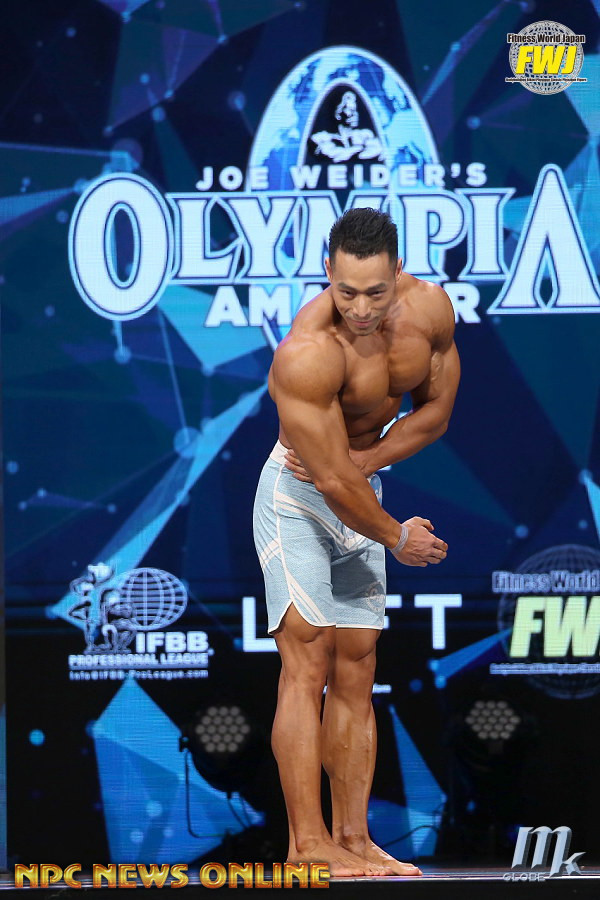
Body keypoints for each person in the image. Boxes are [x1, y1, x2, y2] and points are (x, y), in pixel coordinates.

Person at [253, 208, 460, 877]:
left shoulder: (431, 312)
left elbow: (434, 413)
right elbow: (328, 478)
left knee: (357, 667)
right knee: (307, 661)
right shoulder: (307, 352)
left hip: (360, 488)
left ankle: (353, 838)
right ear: (327, 274)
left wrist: (371, 464)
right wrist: (398, 536)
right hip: (298, 497)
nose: (362, 309)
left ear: (399, 272)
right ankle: (306, 845)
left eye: (375, 291)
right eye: (346, 292)